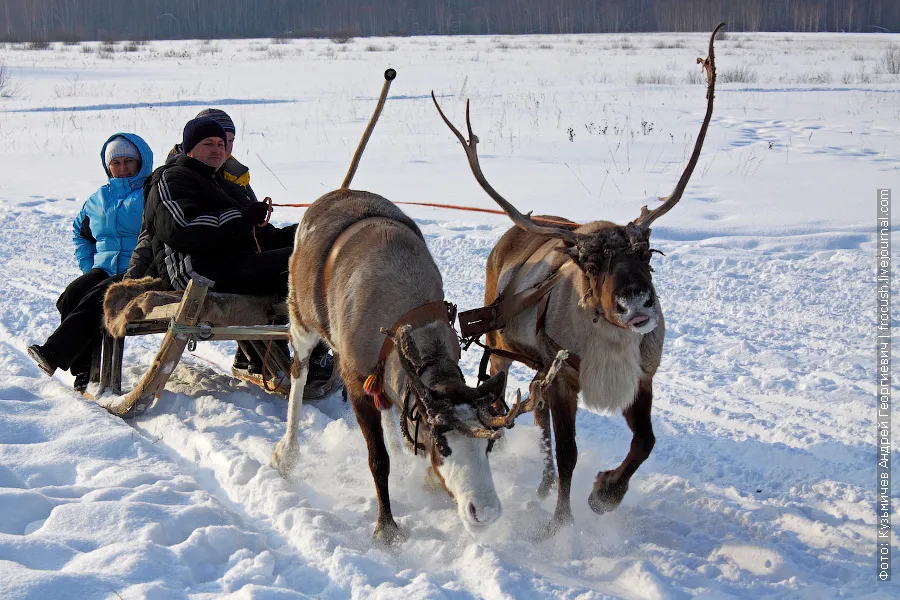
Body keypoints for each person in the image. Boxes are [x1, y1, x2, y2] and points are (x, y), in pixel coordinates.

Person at [141, 116, 333, 386]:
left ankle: (260, 356)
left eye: (221, 143)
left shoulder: (225, 184)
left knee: (312, 252)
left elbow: (264, 237)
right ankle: (315, 351)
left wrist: (310, 230)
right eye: (208, 143)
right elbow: (182, 227)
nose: (218, 149)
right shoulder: (171, 177)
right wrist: (242, 217)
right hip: (198, 271)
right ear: (189, 148)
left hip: (233, 263)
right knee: (304, 265)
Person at [28, 133, 153, 392]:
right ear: (107, 166)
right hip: (105, 267)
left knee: (98, 297)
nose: (122, 168)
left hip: (138, 269)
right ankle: (84, 370)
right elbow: (81, 233)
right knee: (70, 295)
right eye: (115, 163)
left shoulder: (149, 193)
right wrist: (89, 267)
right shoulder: (98, 199)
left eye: (128, 161)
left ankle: (53, 354)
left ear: (141, 162)